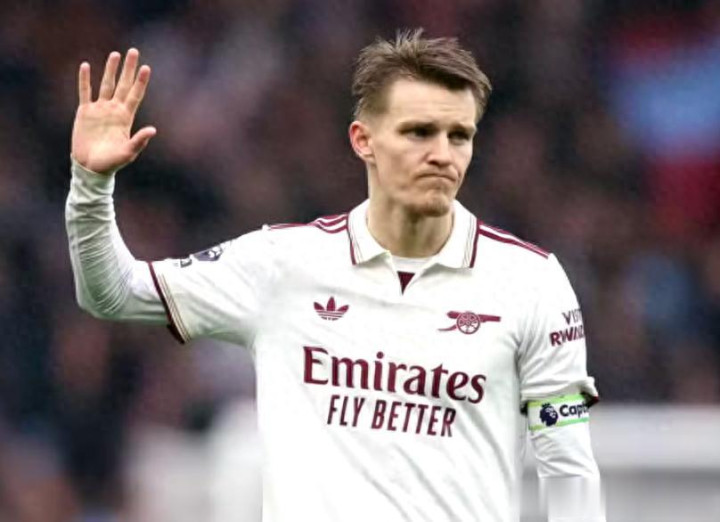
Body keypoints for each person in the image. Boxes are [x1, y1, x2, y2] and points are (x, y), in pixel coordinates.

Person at [66, 29, 605, 522]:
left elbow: (569, 470)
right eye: (419, 132)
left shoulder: (532, 283)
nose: (443, 155)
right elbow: (113, 294)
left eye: (459, 135)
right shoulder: (282, 265)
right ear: (363, 140)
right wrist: (91, 185)